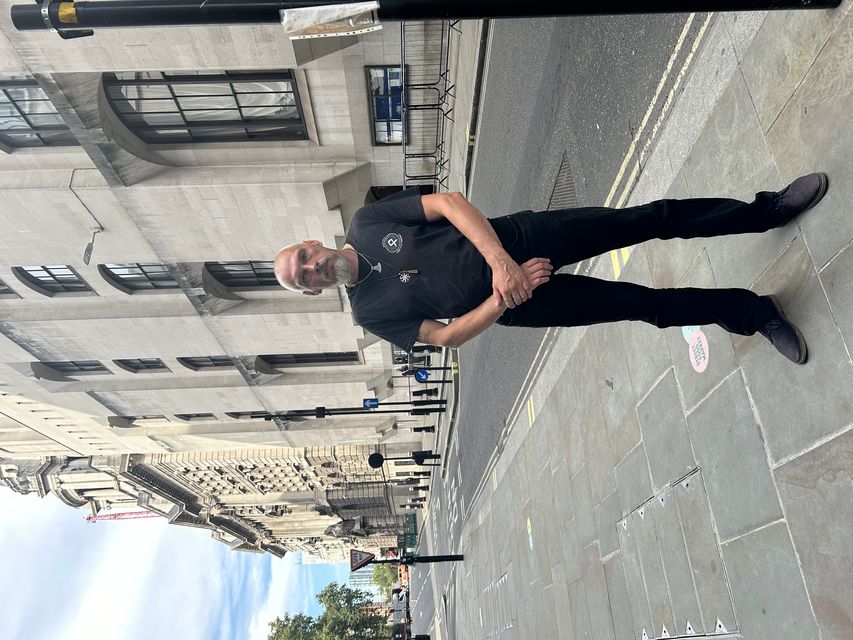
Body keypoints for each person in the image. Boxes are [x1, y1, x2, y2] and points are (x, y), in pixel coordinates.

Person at [273, 174, 829, 365]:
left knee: (649, 218)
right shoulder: (370, 313)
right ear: (310, 293)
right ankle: (754, 314)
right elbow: (443, 336)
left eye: (303, 258)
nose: (312, 268)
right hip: (521, 303)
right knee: (644, 307)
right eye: (304, 278)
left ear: (310, 242)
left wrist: (500, 262)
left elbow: (449, 203)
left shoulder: (369, 222)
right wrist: (501, 297)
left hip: (520, 238)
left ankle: (767, 211)